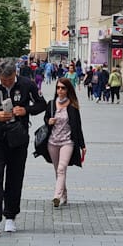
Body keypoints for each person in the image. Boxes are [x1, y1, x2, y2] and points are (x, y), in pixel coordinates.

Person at [0, 58, 46, 235]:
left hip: (18, 140)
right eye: (4, 80)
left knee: (14, 178)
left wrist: (26, 110)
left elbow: (42, 104)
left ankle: (11, 216)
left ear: (15, 74)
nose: (7, 82)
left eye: (10, 79)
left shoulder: (26, 84)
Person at [36, 77, 86, 207]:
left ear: (68, 89)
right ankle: (64, 194)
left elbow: (78, 126)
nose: (60, 90)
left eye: (63, 88)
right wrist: (48, 121)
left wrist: (82, 145)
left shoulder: (73, 106)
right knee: (57, 170)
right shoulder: (51, 104)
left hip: (67, 142)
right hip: (52, 142)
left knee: (61, 169)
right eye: (58, 88)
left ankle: (56, 197)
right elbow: (46, 118)